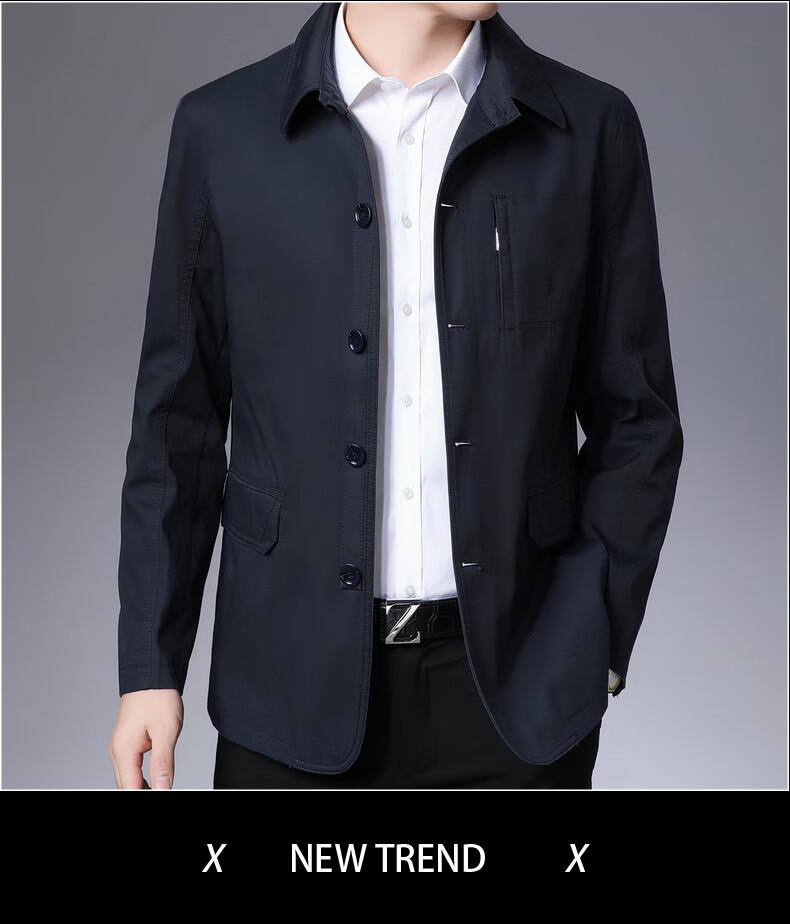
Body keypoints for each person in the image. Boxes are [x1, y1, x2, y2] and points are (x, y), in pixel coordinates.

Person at [109, 2, 683, 790]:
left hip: (518, 698)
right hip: (286, 690)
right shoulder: (223, 130)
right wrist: (150, 666)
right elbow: (176, 424)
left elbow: (639, 420)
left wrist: (598, 638)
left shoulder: (589, 128)